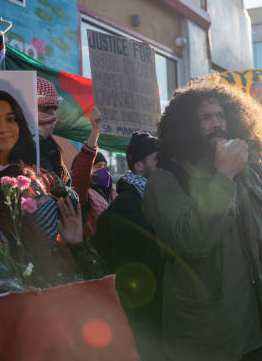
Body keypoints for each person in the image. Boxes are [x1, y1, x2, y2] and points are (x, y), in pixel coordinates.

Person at [142, 76, 262, 361]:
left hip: (257, 334)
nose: (217, 123)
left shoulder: (246, 176)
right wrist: (223, 177)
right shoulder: (164, 182)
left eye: (221, 115)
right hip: (205, 344)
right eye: (206, 117)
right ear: (186, 125)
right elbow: (191, 240)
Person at [93, 131, 163, 360]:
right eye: (157, 158)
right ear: (139, 165)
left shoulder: (148, 195)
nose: (162, 163)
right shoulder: (129, 203)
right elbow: (142, 255)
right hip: (141, 307)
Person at [70, 107, 115, 238]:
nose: (102, 170)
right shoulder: (82, 196)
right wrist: (95, 131)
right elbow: (82, 172)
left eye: (104, 166)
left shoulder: (113, 197)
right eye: (97, 166)